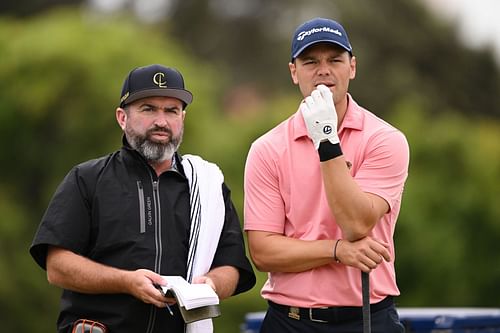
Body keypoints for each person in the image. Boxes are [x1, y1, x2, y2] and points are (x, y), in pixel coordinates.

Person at [30, 64, 256, 333]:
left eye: (171, 110)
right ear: (122, 117)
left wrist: (211, 285)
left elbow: (231, 265)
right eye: (148, 109)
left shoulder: (208, 184)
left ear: (182, 118)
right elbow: (57, 267)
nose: (161, 121)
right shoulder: (87, 179)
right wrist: (126, 281)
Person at [244, 17, 409, 333]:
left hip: (367, 318)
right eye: (310, 61)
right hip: (289, 320)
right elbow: (263, 252)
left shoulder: (384, 139)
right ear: (294, 72)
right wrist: (337, 251)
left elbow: (356, 222)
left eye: (335, 60)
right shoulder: (267, 148)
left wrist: (326, 139)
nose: (323, 70)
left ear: (352, 67)